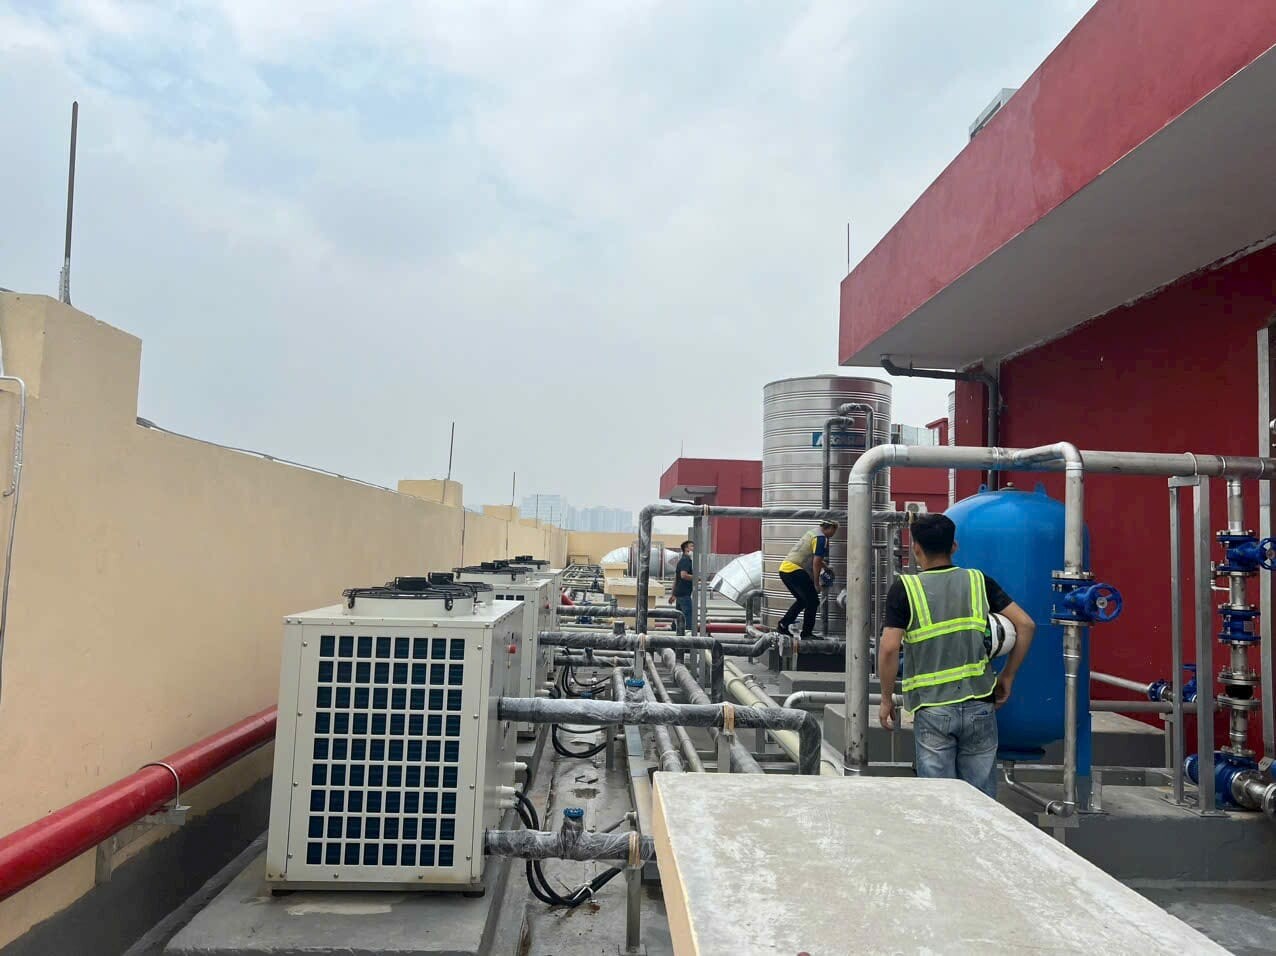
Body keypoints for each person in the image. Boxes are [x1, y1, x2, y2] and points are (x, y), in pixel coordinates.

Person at [877, 513, 1035, 798]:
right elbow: (1026, 625)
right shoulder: (978, 581)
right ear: (954, 547)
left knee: (940, 799)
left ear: (916, 548)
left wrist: (887, 698)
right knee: (981, 799)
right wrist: (1008, 676)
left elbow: (889, 648)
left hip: (932, 707)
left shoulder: (906, 589)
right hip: (980, 704)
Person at [776, 520, 839, 638]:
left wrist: (825, 566)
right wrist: (816, 584)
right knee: (813, 601)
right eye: (834, 531)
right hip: (795, 570)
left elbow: (811, 556)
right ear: (831, 527)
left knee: (803, 600)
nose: (833, 534)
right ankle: (806, 633)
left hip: (785, 570)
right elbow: (816, 562)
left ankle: (783, 625)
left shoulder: (812, 533)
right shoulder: (821, 538)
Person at [668, 539, 694, 634]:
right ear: (686, 549)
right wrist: (697, 578)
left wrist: (673, 594)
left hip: (679, 594)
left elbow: (676, 579)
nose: (694, 548)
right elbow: (683, 575)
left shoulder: (681, 561)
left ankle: (673, 634)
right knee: (687, 617)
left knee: (678, 616)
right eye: (692, 546)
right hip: (684, 594)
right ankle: (688, 636)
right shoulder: (686, 560)